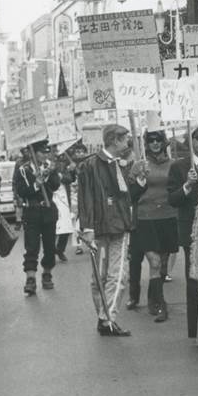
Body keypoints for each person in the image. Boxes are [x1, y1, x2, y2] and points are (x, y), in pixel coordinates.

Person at [76, 124, 147, 336]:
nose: (127, 143)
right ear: (114, 140)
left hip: (121, 225)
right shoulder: (89, 165)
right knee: (99, 276)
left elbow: (127, 196)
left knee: (119, 275)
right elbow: (84, 198)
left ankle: (107, 318)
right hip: (98, 228)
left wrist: (140, 180)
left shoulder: (124, 165)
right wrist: (86, 228)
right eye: (125, 139)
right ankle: (104, 317)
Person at [167, 124, 198, 339]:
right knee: (195, 281)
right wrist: (187, 185)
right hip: (192, 232)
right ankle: (195, 330)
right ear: (192, 140)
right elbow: (172, 200)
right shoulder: (179, 167)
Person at [129, 130, 179, 323]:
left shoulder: (174, 165)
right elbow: (131, 196)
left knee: (163, 265)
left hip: (168, 216)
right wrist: (140, 180)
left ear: (164, 142)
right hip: (146, 217)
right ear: (146, 143)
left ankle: (153, 298)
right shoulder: (139, 165)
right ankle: (160, 305)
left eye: (159, 140)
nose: (155, 143)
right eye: (151, 140)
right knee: (154, 262)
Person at [13, 140, 61, 295]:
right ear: (33, 152)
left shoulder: (49, 167)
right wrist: (36, 184)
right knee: (31, 246)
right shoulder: (23, 169)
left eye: (47, 152)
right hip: (31, 211)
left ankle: (47, 273)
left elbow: (55, 186)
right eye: (41, 152)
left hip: (48, 210)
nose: (45, 155)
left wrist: (51, 173)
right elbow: (21, 191)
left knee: (49, 246)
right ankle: (31, 278)